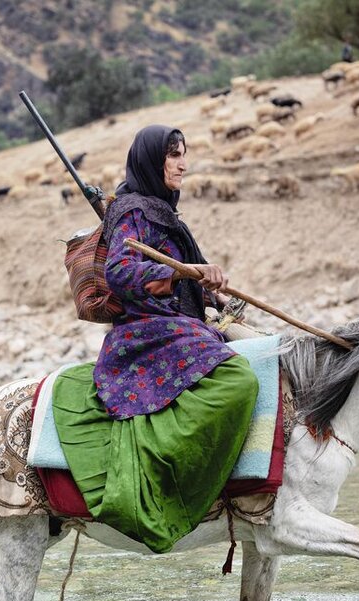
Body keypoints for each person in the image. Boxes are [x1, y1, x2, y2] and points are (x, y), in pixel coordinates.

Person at [53, 125, 259, 553]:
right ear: (152, 160)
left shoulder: (157, 209)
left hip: (177, 322)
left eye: (184, 154)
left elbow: (180, 278)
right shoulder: (134, 210)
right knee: (238, 380)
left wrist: (208, 290)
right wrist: (182, 272)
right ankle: (169, 470)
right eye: (172, 155)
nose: (182, 163)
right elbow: (121, 272)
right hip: (147, 332)